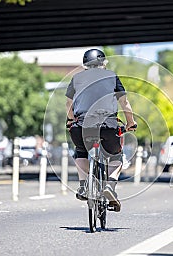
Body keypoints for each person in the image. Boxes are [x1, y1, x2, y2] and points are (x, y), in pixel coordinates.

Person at [65, 49, 136, 212]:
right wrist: (130, 122)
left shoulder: (76, 78)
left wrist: (70, 120)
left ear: (85, 65)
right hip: (108, 125)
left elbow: (69, 104)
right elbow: (125, 103)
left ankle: (83, 186)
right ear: (103, 63)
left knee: (81, 150)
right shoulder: (112, 76)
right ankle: (110, 186)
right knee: (116, 155)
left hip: (81, 126)